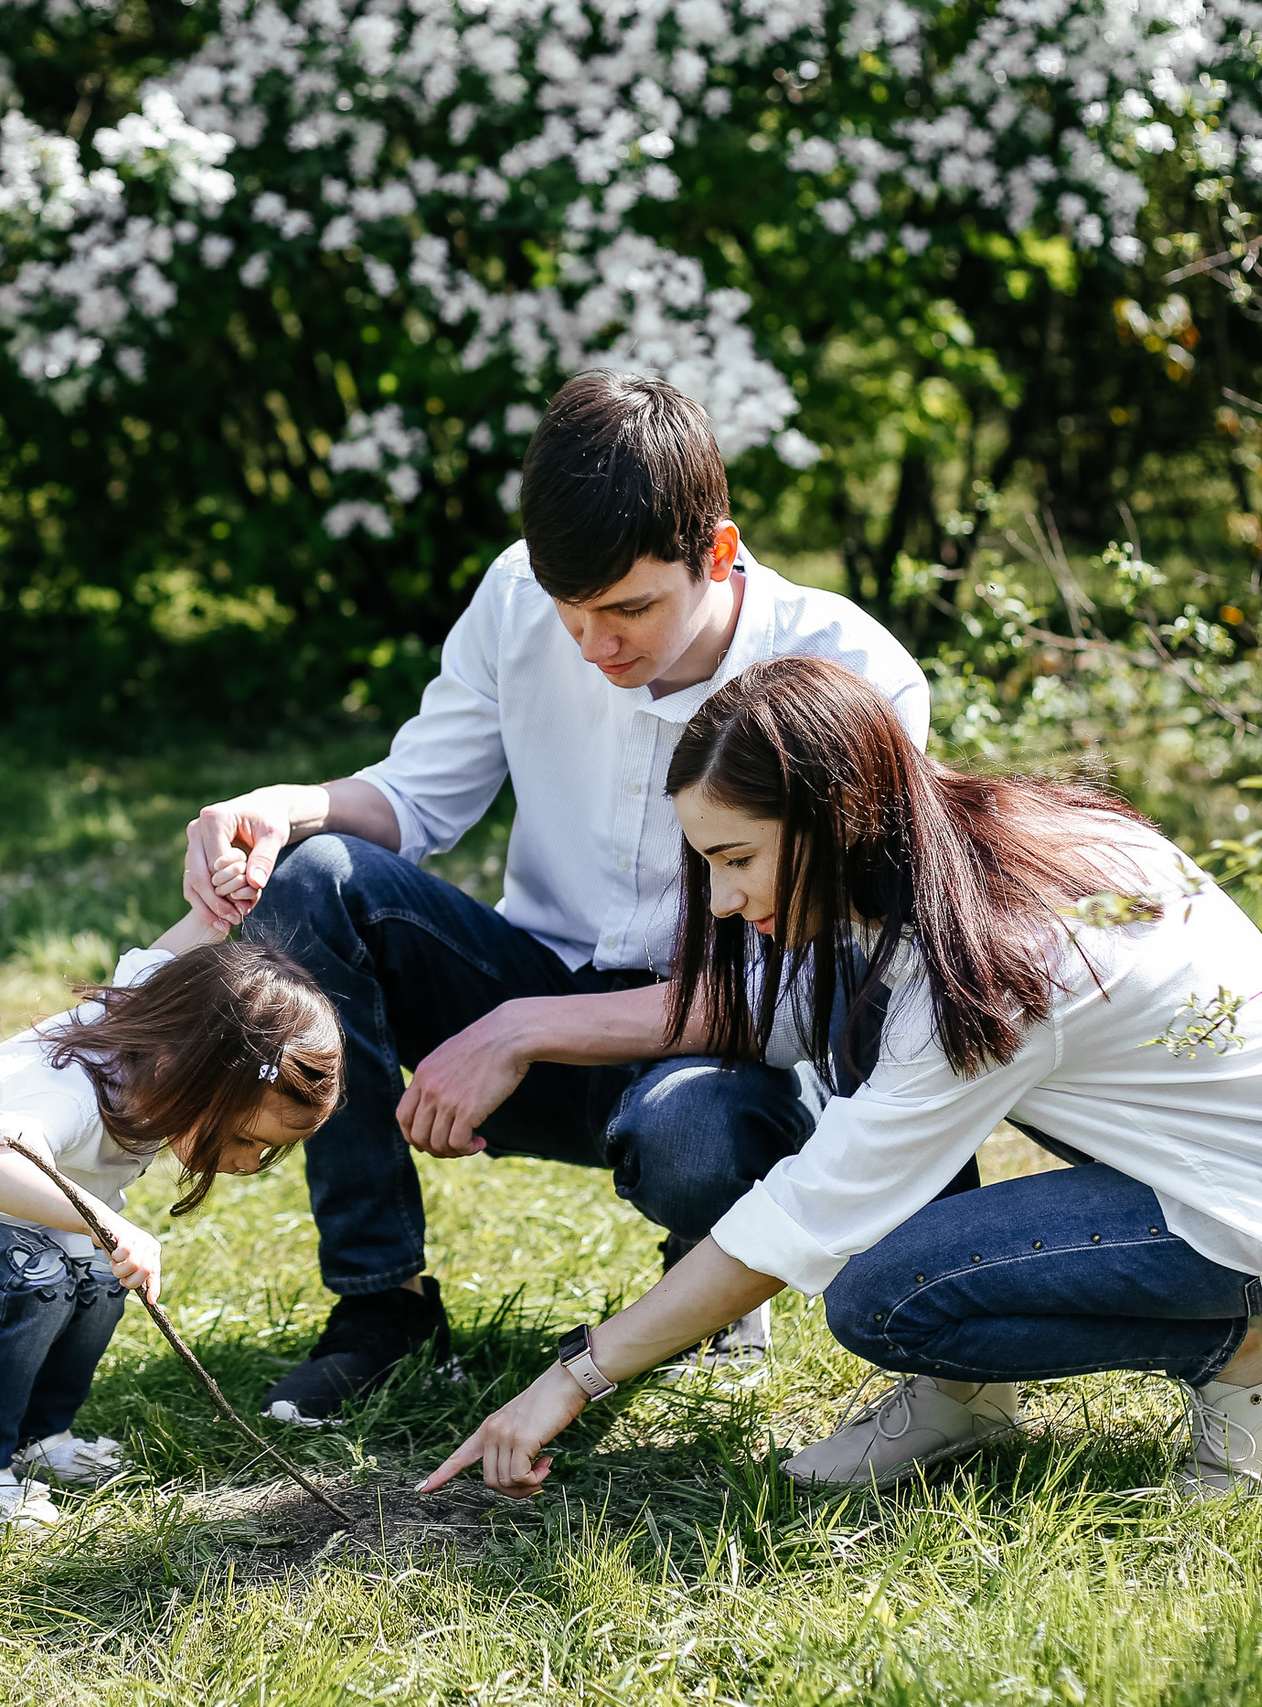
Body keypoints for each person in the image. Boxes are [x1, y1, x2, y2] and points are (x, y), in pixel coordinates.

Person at [423, 656, 1262, 1501]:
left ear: (834, 814)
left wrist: (575, 1376)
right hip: (1221, 1147)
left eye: (737, 859)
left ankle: (1248, 1352)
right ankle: (966, 1399)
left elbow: (806, 1213)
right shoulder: (949, 858)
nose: (721, 898)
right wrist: (526, 1028)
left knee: (880, 1294)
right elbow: (792, 1016)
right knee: (885, 1216)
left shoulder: (995, 957)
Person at [182, 372, 930, 1424]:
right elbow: (416, 797)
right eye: (570, 612)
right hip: (529, 982)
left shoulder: (849, 673)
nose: (593, 645)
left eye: (628, 609)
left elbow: (805, 994)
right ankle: (380, 1307)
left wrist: (523, 1030)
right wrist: (285, 804)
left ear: (718, 553)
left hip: (723, 1059)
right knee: (313, 876)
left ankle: (708, 1279)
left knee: (699, 1137)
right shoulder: (513, 596)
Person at [0, 908, 342, 1531]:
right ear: (191, 1076)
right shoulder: (70, 1093)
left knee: (101, 1278)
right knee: (34, 1280)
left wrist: (211, 912)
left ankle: (41, 1439)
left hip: (2, 1197)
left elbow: (172, 963)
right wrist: (109, 1221)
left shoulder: (168, 1031)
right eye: (244, 1137)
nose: (246, 1163)